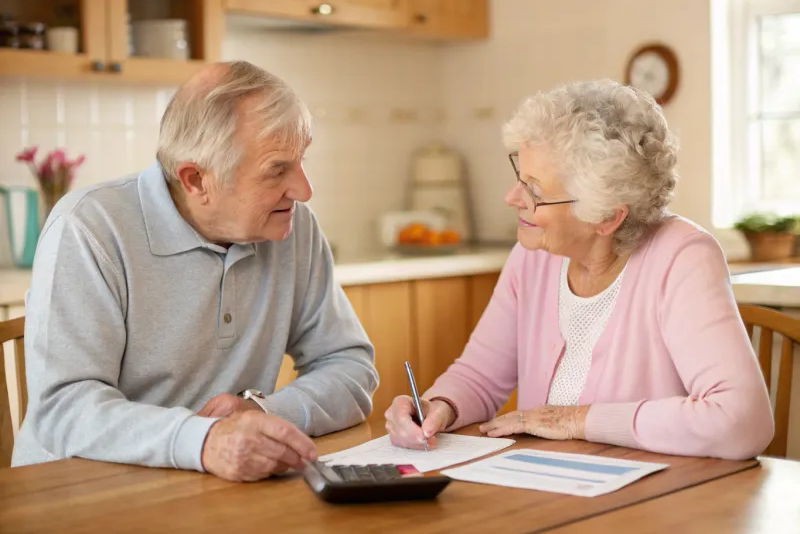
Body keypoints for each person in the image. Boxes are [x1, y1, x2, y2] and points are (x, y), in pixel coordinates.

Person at [12, 61, 379, 481]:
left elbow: (350, 366)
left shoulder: (293, 227)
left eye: (300, 162)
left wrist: (262, 410)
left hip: (215, 491)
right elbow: (63, 409)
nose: (303, 190)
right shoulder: (89, 228)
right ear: (195, 179)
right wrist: (204, 441)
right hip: (76, 494)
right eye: (277, 170)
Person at [385, 79, 774, 461]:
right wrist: (437, 407)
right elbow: (480, 376)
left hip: (659, 503)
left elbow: (741, 421)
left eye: (535, 190)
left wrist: (578, 420)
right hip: (551, 489)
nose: (512, 197)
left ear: (605, 216)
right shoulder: (535, 252)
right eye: (520, 176)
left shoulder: (682, 256)